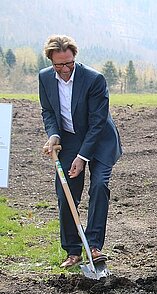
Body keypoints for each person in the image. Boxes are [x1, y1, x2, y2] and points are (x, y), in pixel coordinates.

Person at [39, 35, 122, 268]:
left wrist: (82, 157)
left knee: (99, 186)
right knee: (66, 193)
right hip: (70, 140)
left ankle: (93, 246)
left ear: (75, 57)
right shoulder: (44, 78)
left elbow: (97, 122)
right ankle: (73, 251)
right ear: (51, 62)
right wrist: (53, 135)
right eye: (59, 65)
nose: (65, 69)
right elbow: (48, 112)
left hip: (100, 140)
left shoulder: (94, 79)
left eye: (69, 63)